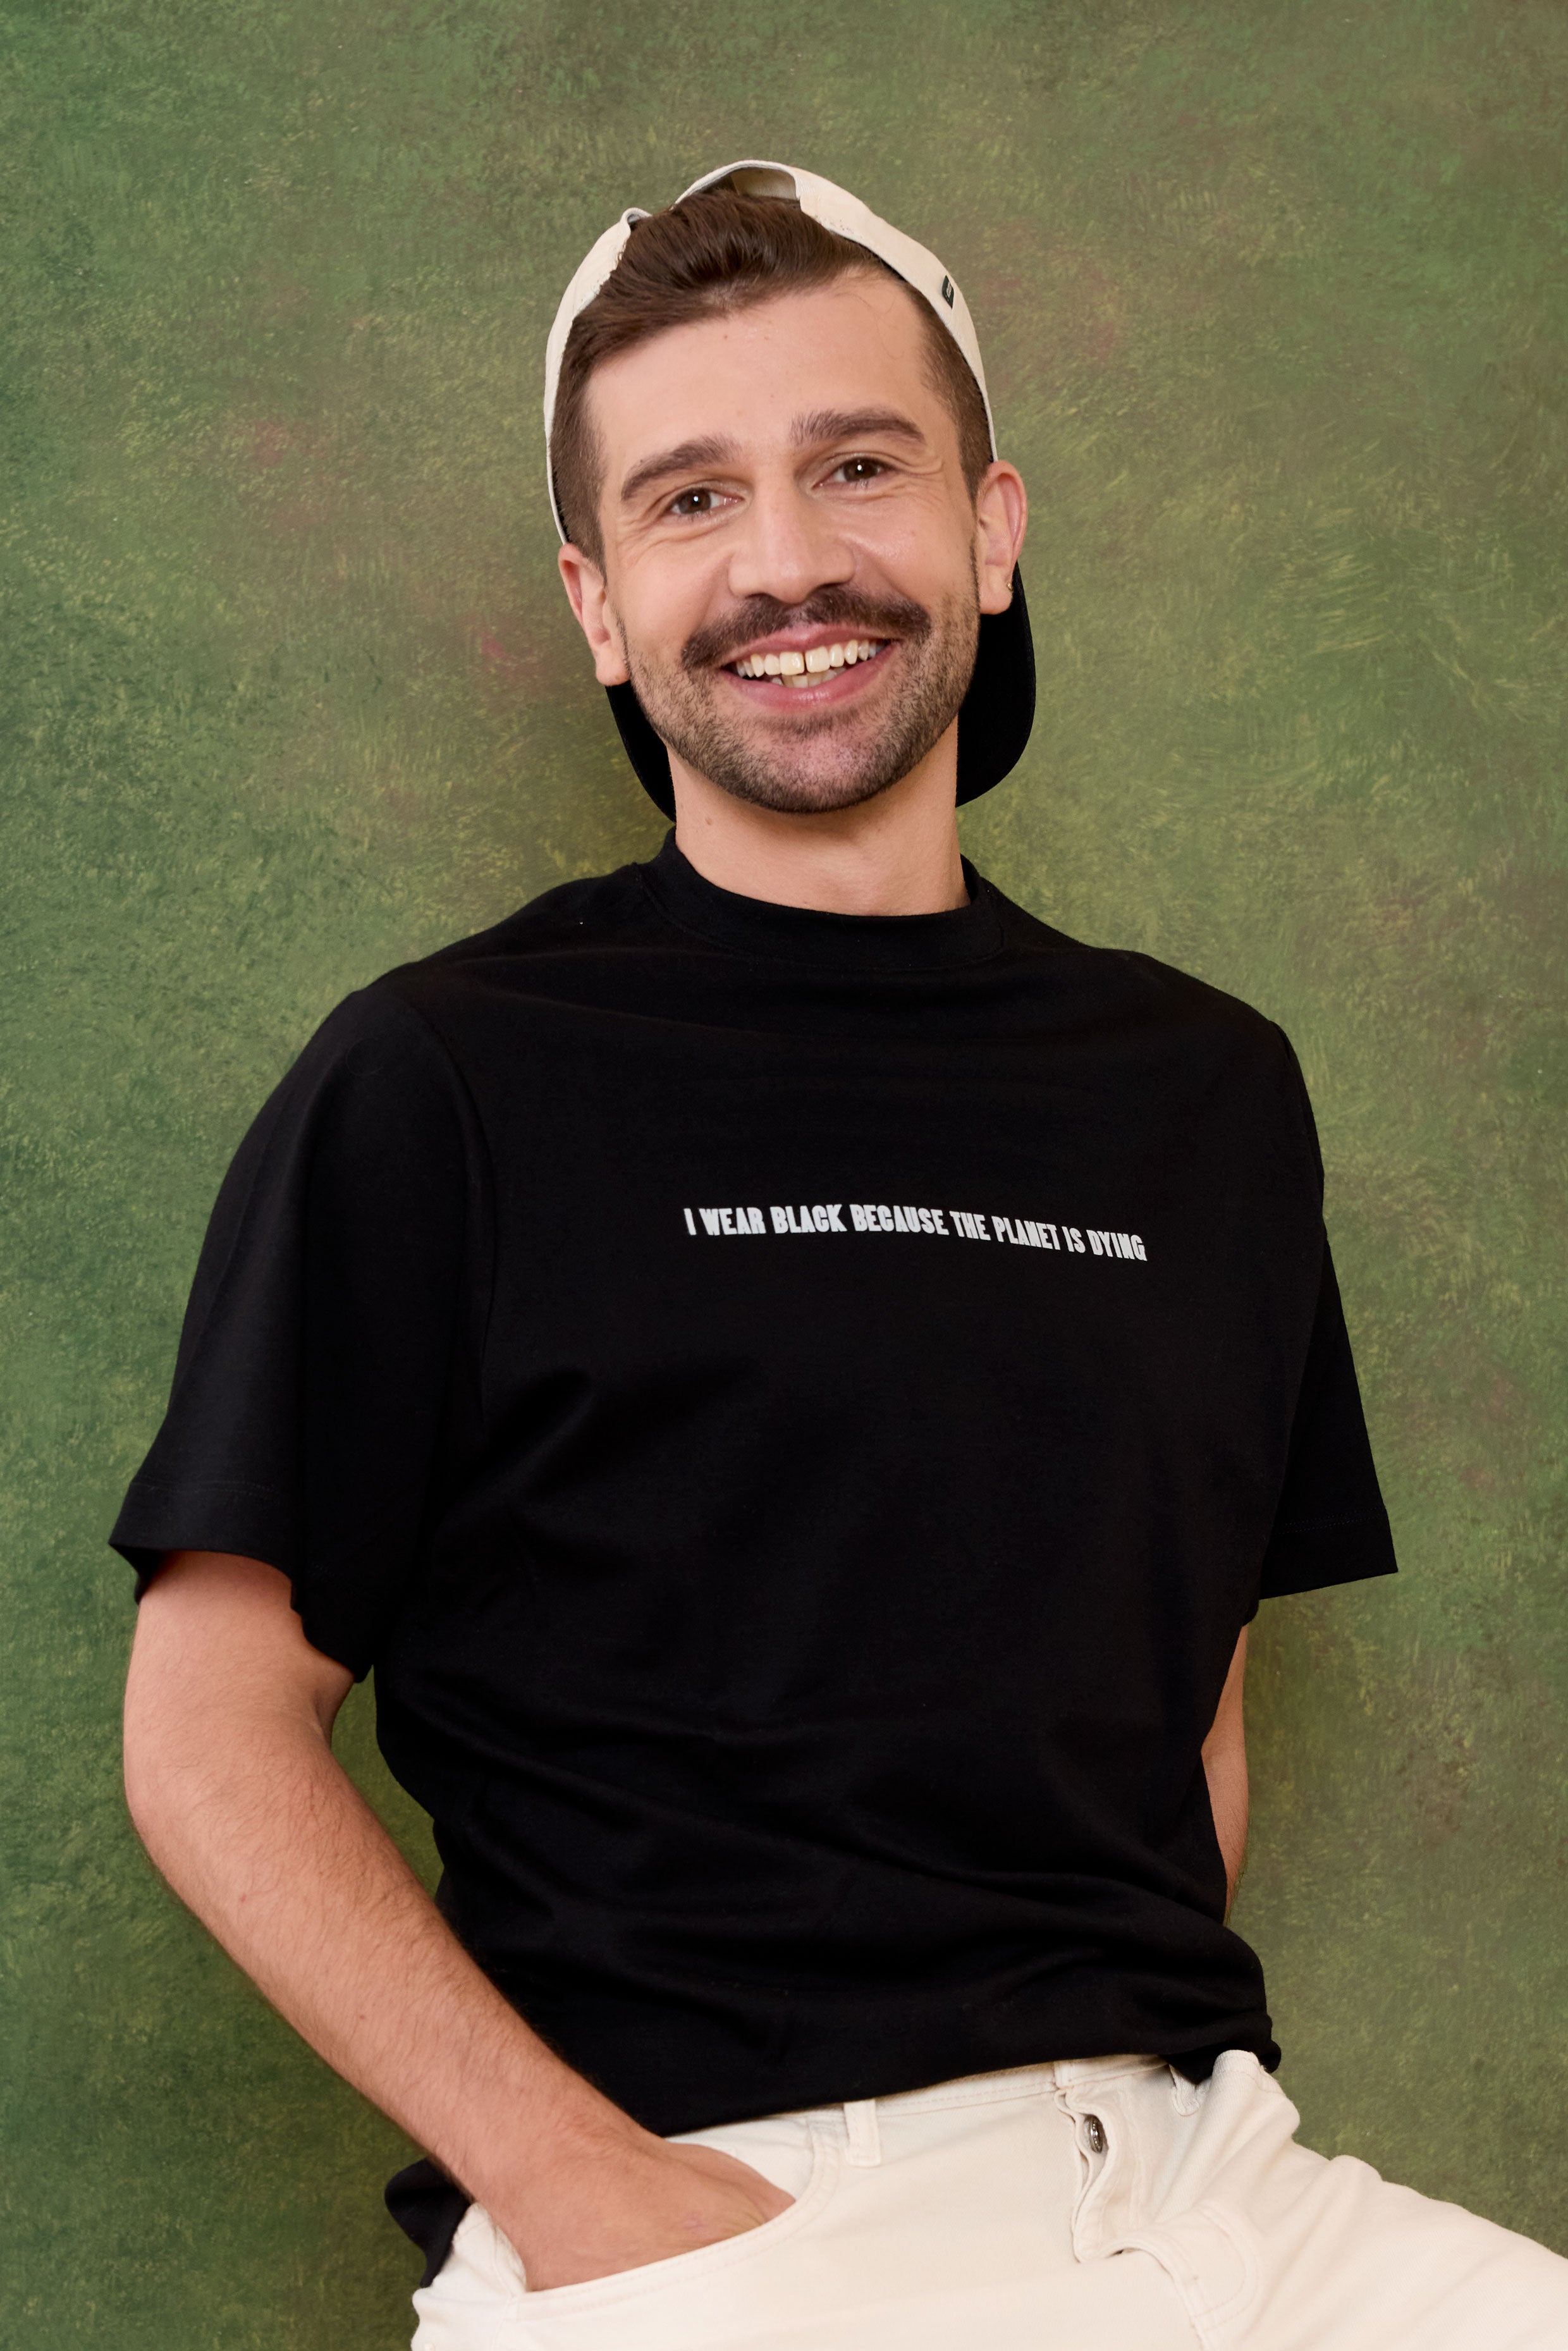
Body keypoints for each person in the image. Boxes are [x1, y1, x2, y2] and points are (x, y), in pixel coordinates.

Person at [116, 162, 1567, 2350]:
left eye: (854, 466)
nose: (787, 561)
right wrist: (578, 2191)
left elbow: (1186, 1696)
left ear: (989, 524)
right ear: (601, 606)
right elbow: (208, 1731)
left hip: (1218, 2193)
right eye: (689, 501)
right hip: (742, 2224)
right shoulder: (446, 1078)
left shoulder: (1203, 1089)